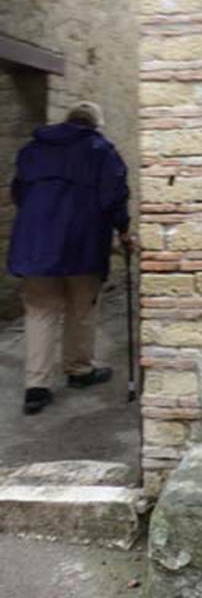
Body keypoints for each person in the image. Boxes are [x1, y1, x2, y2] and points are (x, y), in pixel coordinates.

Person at [7, 101, 132, 415]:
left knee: (40, 310)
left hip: (35, 243)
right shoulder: (101, 150)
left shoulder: (32, 150)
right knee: (81, 307)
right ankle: (79, 369)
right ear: (95, 124)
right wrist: (124, 230)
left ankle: (36, 387)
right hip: (82, 241)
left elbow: (19, 193)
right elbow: (114, 195)